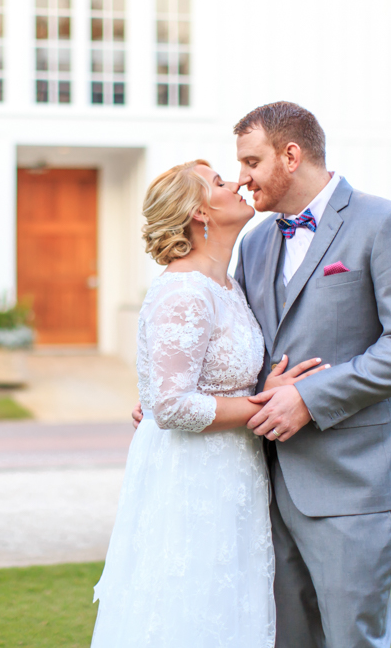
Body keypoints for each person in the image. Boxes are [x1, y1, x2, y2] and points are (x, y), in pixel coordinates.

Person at [133, 102, 391, 648]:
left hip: (354, 480)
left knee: (351, 639)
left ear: (291, 155)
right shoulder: (253, 243)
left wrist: (309, 396)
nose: (244, 178)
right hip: (262, 486)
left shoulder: (385, 224)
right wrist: (177, 395)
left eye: (251, 161)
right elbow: (238, 349)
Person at [91, 159, 326, 647]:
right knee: (190, 609)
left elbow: (193, 385)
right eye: (220, 182)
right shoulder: (184, 291)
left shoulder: (228, 286)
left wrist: (264, 387)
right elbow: (173, 406)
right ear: (199, 211)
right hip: (193, 478)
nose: (238, 181)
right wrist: (269, 403)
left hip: (233, 474)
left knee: (232, 609)